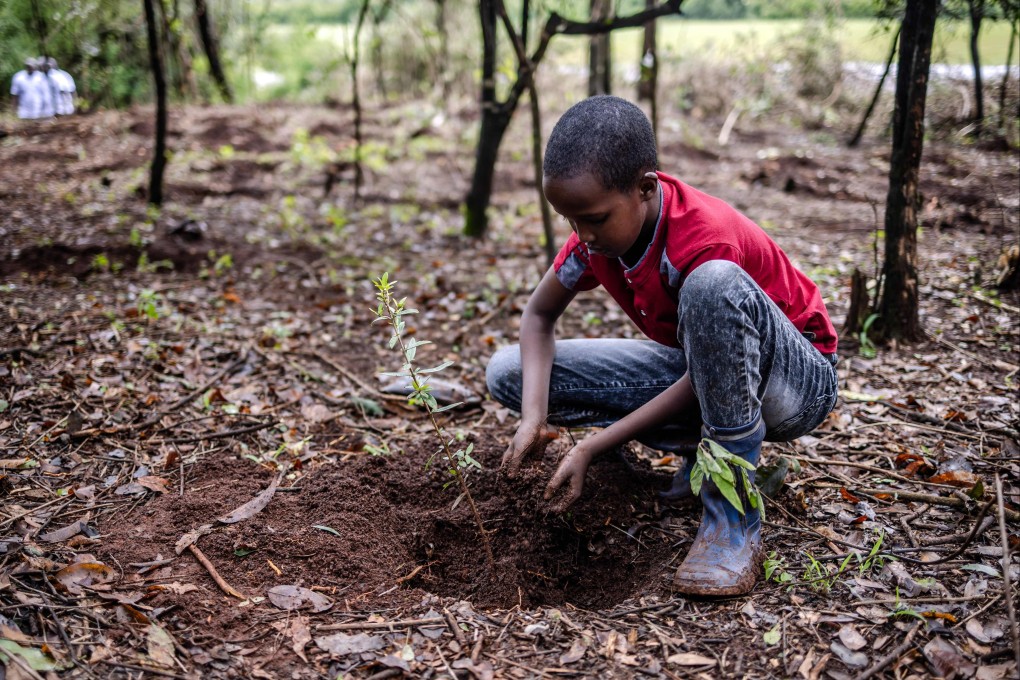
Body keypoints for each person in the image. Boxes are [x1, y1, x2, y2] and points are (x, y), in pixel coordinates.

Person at [486, 95, 838, 597]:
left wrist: (596, 442)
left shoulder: (702, 239)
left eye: (595, 218)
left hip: (798, 381)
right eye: (570, 220)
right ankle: (699, 450)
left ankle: (731, 514)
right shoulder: (596, 238)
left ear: (646, 187)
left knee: (713, 285)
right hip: (709, 368)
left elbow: (711, 369)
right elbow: (539, 317)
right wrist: (532, 419)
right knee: (510, 372)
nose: (583, 235)